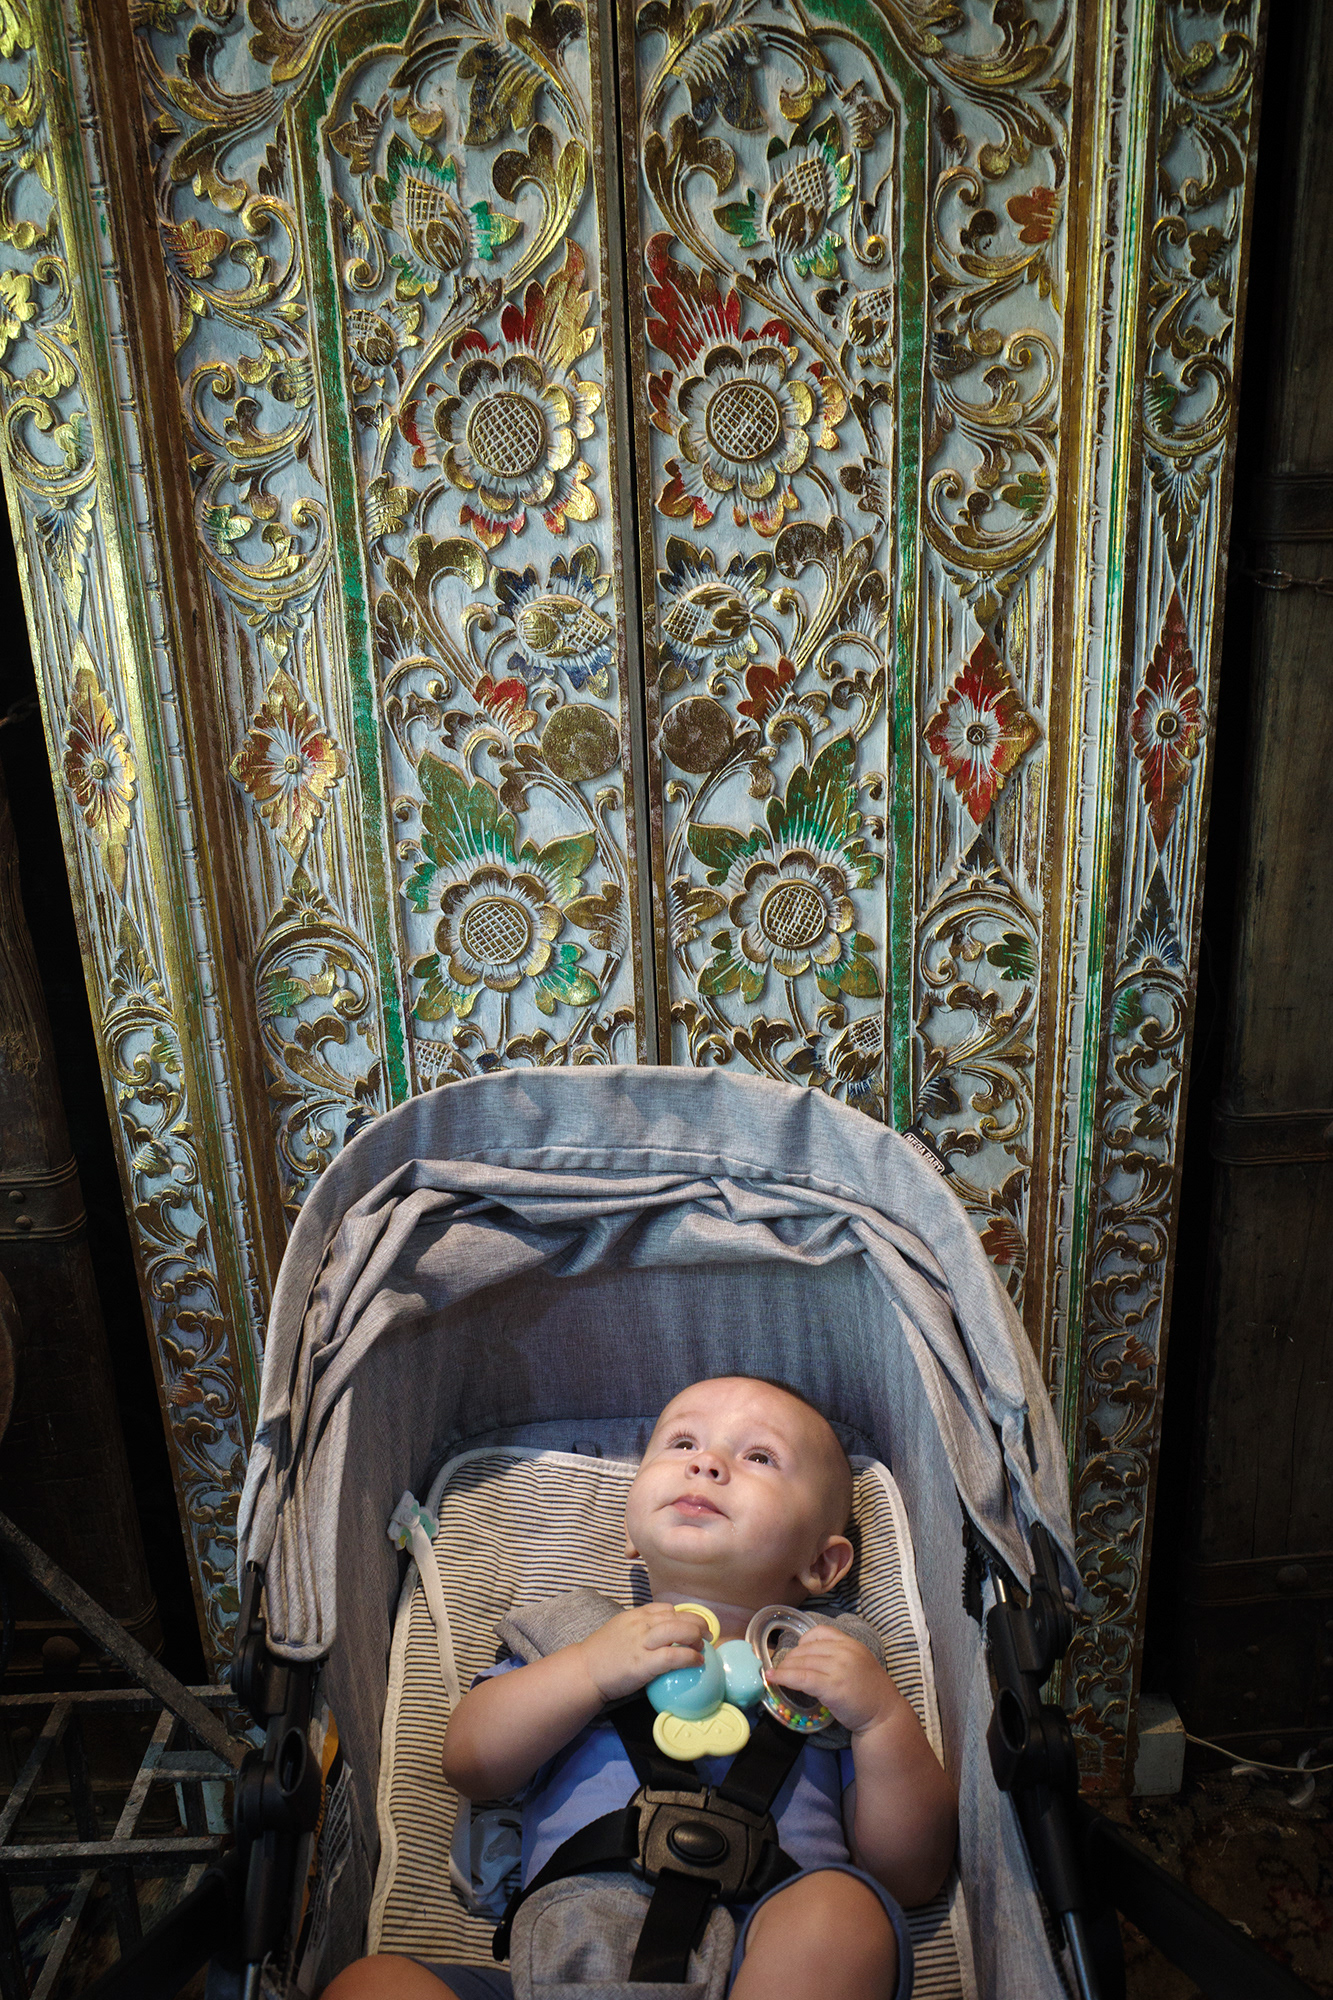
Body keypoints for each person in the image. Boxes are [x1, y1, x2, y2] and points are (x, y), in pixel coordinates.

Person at [324, 1375, 957, 1999]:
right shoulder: (571, 1637)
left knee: (846, 1915)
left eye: (760, 1457)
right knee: (372, 1985)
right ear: (629, 1530)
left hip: (761, 1956)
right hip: (566, 1960)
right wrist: (588, 1672)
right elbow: (469, 1764)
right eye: (682, 1444)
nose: (706, 1463)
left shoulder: (829, 1674)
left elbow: (908, 1877)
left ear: (821, 1563)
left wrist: (881, 1721)